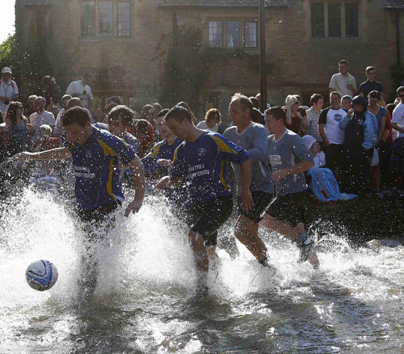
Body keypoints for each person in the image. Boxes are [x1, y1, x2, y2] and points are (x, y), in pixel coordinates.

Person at [14, 107, 145, 291]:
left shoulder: (106, 139)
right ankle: (92, 288)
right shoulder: (74, 140)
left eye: (75, 132)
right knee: (86, 250)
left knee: (93, 250)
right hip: (83, 204)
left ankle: (95, 292)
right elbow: (63, 152)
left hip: (107, 203)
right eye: (68, 133)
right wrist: (32, 156)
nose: (71, 137)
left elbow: (137, 163)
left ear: (88, 125)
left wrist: (138, 198)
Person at [158, 107, 252, 280]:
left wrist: (245, 190)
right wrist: (167, 180)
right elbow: (177, 179)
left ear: (185, 121)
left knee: (194, 237)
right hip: (198, 204)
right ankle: (217, 279)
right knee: (206, 247)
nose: (172, 132)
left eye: (174, 128)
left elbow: (244, 158)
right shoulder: (181, 150)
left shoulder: (213, 140)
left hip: (220, 201)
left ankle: (202, 288)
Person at [255, 106, 319, 267]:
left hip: (296, 192)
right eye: (265, 120)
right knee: (302, 232)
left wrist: (286, 171)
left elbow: (309, 161)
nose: (266, 124)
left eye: (269, 120)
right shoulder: (269, 141)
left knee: (265, 220)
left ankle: (300, 243)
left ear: (280, 121)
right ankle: (317, 270)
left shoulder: (292, 138)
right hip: (282, 192)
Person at [224, 95, 276, 267]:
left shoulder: (258, 130)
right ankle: (268, 266)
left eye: (235, 111)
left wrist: (238, 155)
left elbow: (261, 152)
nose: (231, 114)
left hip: (261, 187)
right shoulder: (229, 133)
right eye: (230, 111)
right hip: (242, 190)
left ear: (247, 112)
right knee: (251, 231)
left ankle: (265, 264)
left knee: (240, 231)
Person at [337, 95, 378, 194]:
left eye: (359, 106)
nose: (357, 108)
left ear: (364, 106)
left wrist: (364, 149)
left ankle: (363, 191)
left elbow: (371, 134)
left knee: (363, 171)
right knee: (348, 170)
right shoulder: (351, 115)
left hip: (362, 149)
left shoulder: (369, 117)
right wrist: (347, 116)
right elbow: (341, 126)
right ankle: (350, 190)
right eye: (355, 106)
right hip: (349, 148)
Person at [318, 91, 348, 182]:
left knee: (343, 168)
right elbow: (320, 128)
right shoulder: (325, 112)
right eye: (332, 98)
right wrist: (325, 140)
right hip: (330, 144)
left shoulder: (346, 112)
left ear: (339, 100)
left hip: (343, 144)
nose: (334, 100)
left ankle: (342, 187)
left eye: (336, 98)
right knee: (330, 168)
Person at [141, 113, 181, 179]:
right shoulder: (158, 146)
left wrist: (171, 164)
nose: (162, 127)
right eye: (159, 125)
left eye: (165, 123)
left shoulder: (183, 143)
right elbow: (143, 162)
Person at [368, 91, 390, 192]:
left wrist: (379, 139)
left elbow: (383, 126)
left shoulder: (382, 110)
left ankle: (377, 187)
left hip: (377, 139)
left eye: (374, 101)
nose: (372, 103)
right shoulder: (365, 108)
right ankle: (369, 186)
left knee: (377, 165)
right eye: (371, 101)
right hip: (366, 139)